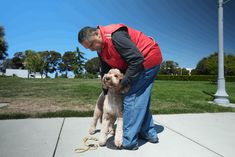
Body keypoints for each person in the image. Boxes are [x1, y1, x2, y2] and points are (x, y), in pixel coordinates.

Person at [78, 24, 162, 150]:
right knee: (140, 100)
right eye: (88, 48)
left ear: (97, 34)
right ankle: (149, 133)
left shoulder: (115, 36)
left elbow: (136, 59)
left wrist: (123, 84)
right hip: (144, 61)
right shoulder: (100, 49)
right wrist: (106, 91)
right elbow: (105, 69)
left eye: (91, 45)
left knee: (131, 98)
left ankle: (128, 141)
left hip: (147, 59)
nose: (91, 49)